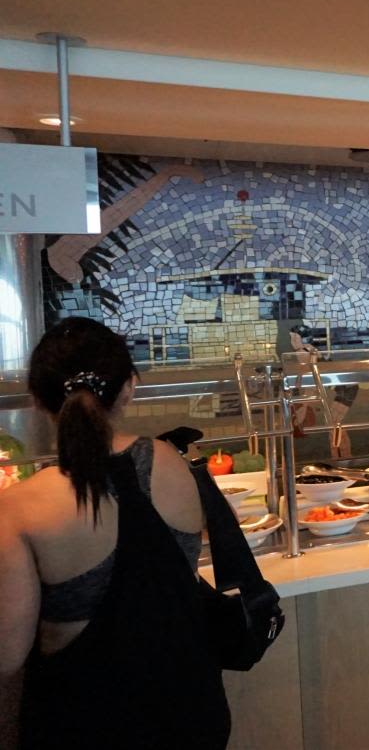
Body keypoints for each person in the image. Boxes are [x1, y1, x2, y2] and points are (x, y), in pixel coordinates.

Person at [0, 318, 229, 748]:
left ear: (36, 400)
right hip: (192, 714)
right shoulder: (174, 464)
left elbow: (6, 657)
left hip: (83, 727)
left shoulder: (20, 509)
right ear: (129, 387)